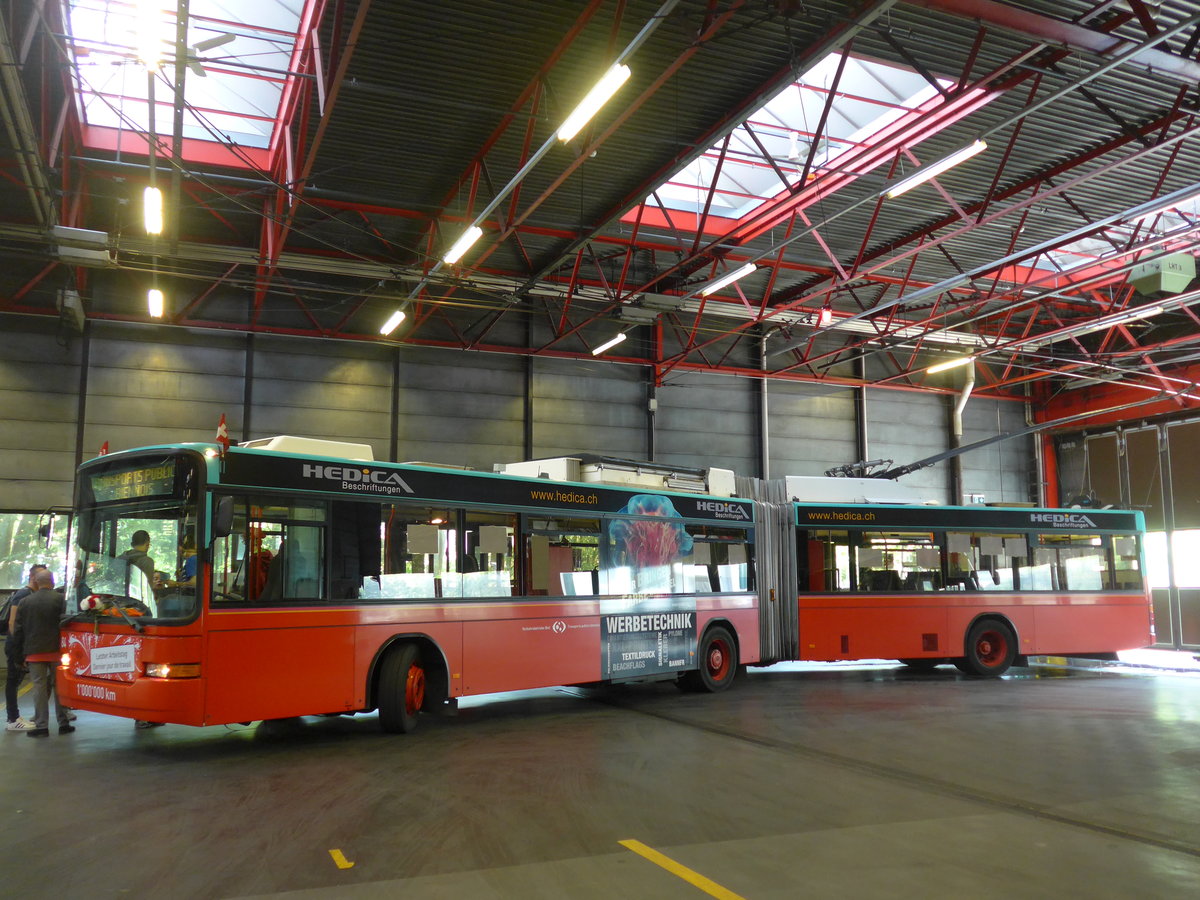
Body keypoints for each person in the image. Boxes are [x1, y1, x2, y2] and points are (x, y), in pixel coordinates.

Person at [11, 569, 72, 738]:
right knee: (59, 685)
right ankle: (63, 722)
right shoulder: (61, 600)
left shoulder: (25, 602)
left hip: (34, 651)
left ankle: (41, 726)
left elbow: (18, 630)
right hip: (57, 650)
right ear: (52, 582)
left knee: (39, 687)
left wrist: (19, 655)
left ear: (36, 582)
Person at [5, 564, 46, 732]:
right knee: (13, 681)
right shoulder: (22, 594)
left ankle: (14, 717)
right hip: (16, 645)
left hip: (22, 645)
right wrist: (17, 650)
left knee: (16, 681)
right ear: (34, 578)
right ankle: (12, 719)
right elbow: (12, 622)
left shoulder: (32, 594)